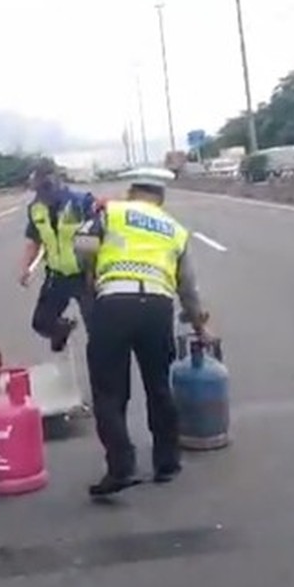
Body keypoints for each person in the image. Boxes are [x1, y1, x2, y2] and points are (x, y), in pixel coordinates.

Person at [72, 166, 209, 498]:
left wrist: (90, 272)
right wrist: (200, 324)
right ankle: (167, 464)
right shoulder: (174, 229)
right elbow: (187, 287)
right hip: (157, 308)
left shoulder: (111, 210)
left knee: (109, 392)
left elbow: (82, 245)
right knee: (159, 387)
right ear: (160, 199)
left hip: (114, 304)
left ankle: (121, 466)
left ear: (132, 191)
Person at [19, 160, 97, 352]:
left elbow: (96, 237)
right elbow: (34, 240)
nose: (42, 193)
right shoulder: (36, 209)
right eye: (38, 188)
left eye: (45, 186)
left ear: (57, 180)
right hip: (57, 275)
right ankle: (61, 329)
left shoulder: (80, 202)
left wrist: (93, 273)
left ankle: (102, 367)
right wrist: (26, 268)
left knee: (98, 332)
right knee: (41, 322)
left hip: (84, 275)